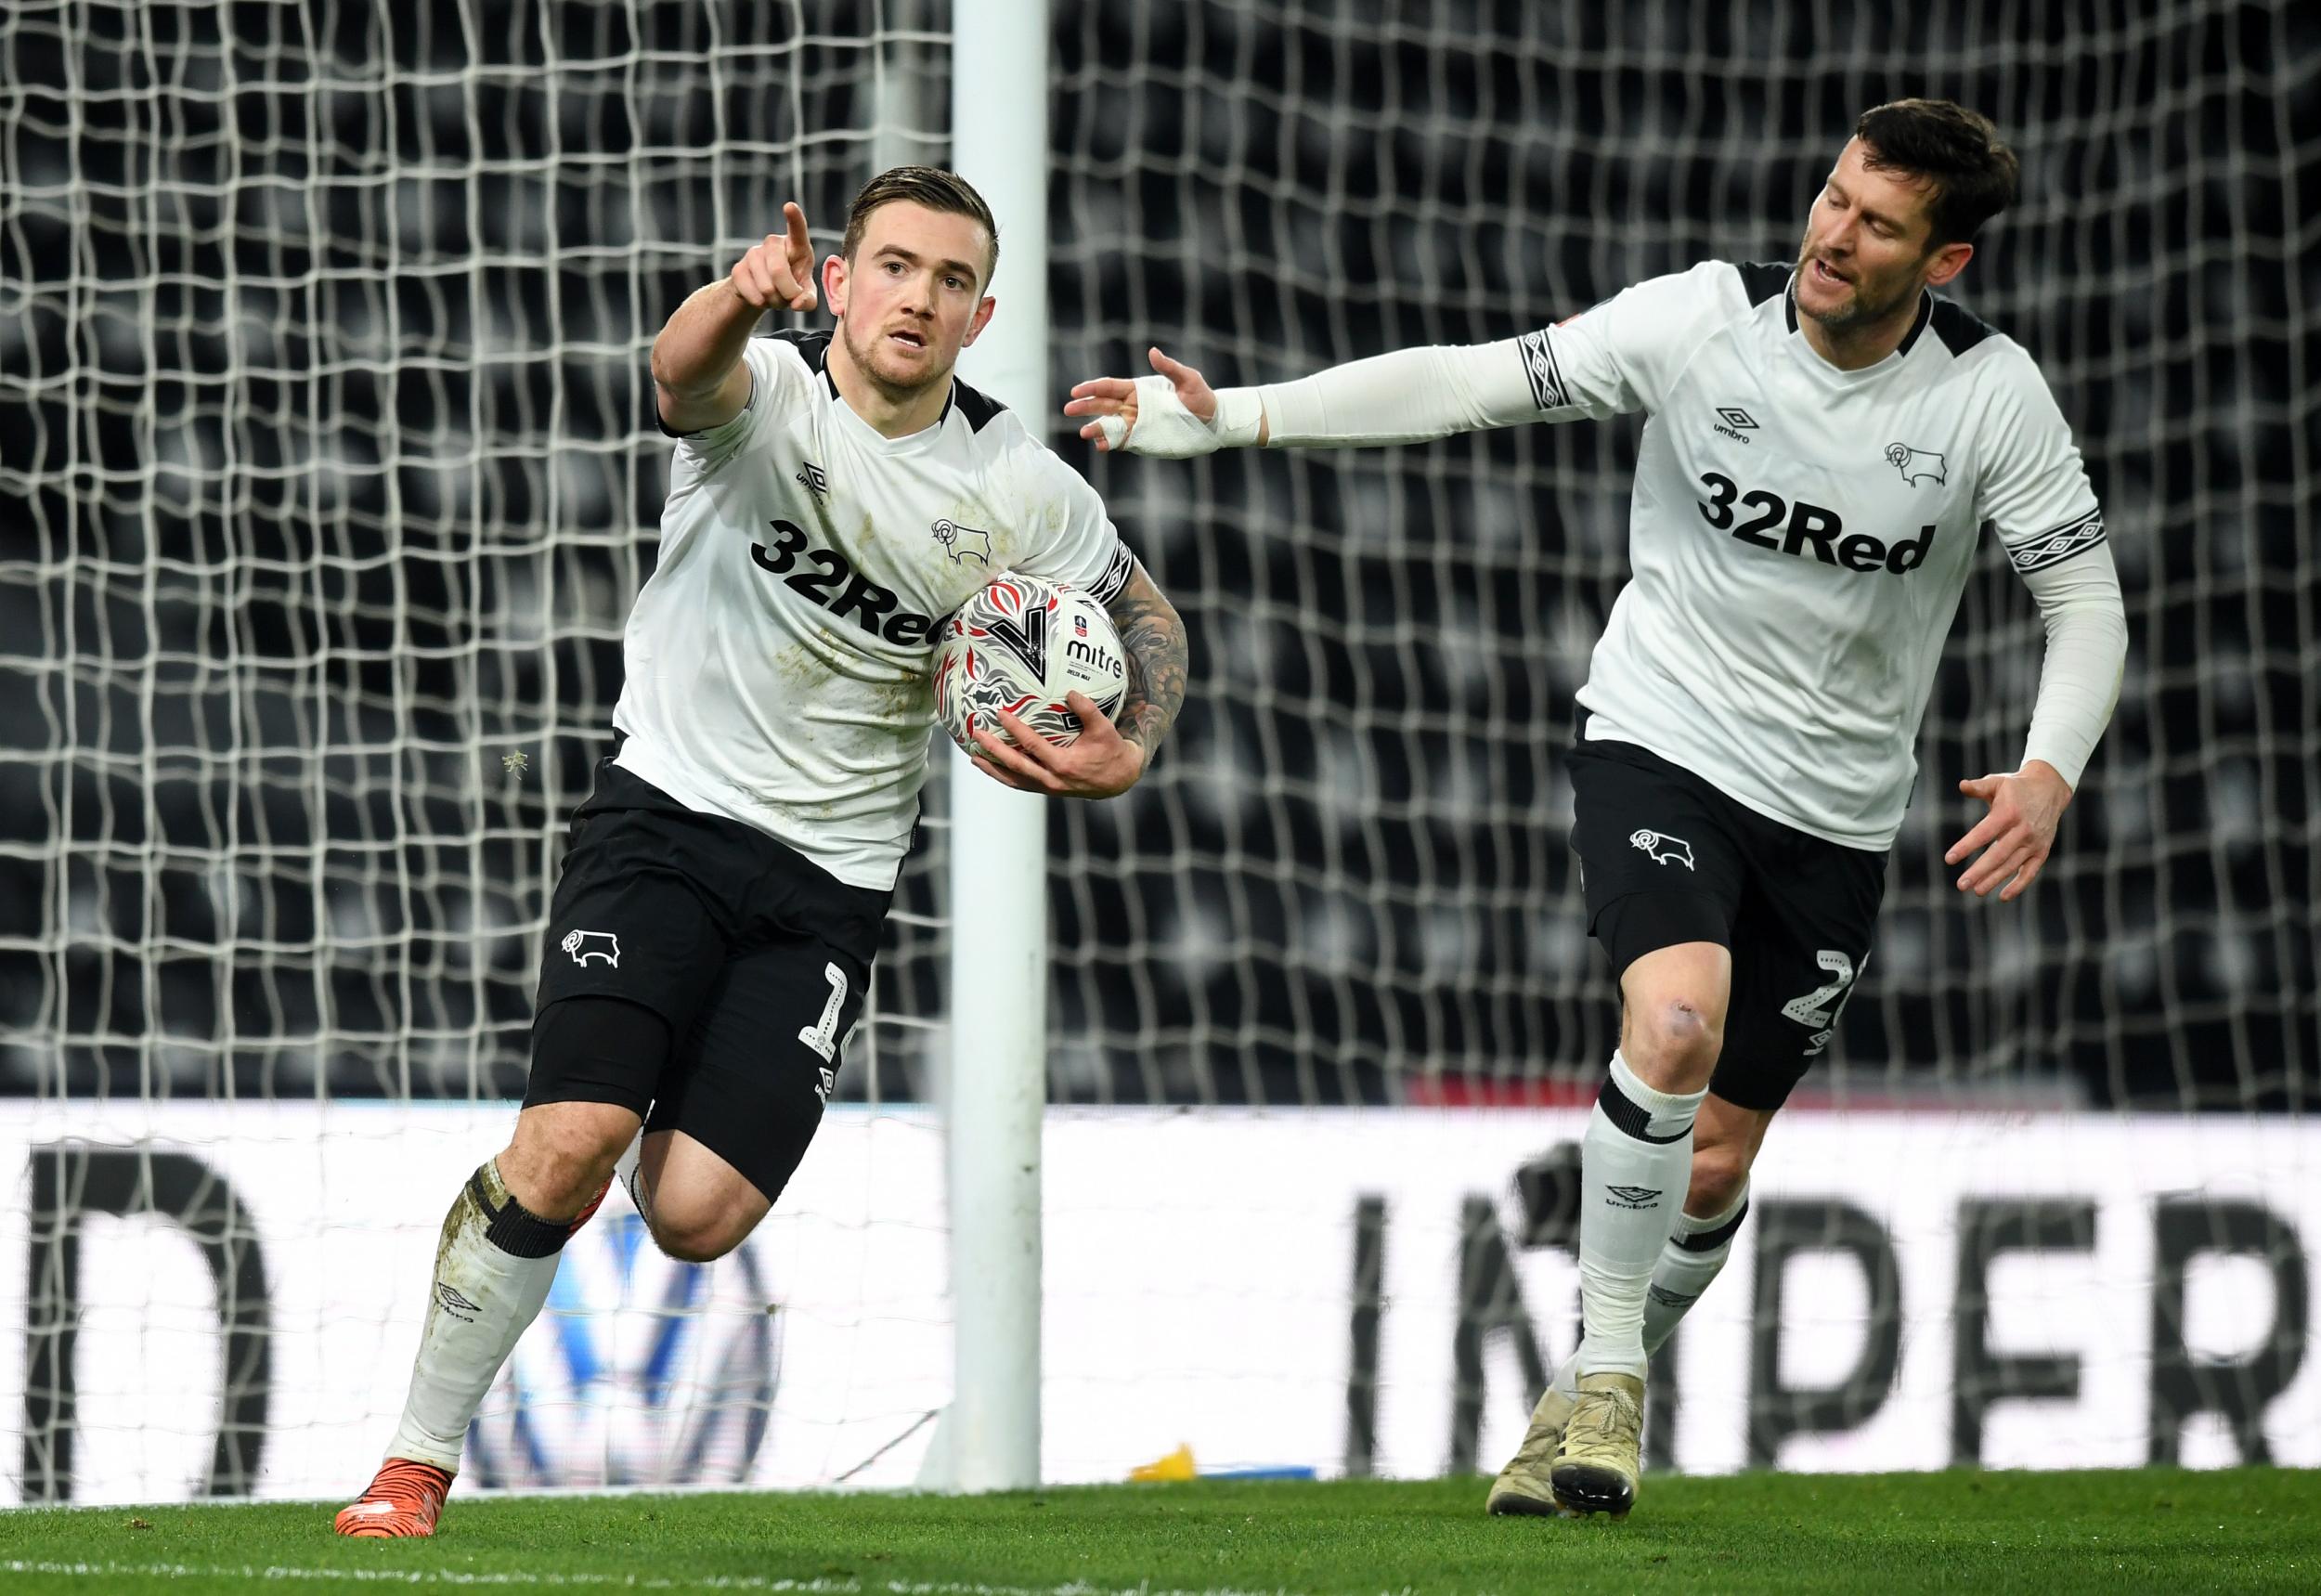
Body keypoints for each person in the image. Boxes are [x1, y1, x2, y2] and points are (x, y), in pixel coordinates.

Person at [1066, 99, 2124, 1519]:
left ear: (1945, 267)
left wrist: (2051, 765)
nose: (1830, 232)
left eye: (1876, 223)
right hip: (1662, 740)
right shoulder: (1702, 321)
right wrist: (1236, 419)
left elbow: (2086, 604)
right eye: (1831, 197)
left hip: (1836, 816)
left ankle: (1568, 1408)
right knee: (1672, 1022)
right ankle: (1614, 1374)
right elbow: (1475, 382)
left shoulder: (1991, 400)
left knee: (1719, 1163)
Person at [336, 166, 1186, 1537]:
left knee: (696, 1214)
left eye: (952, 280)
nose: (921, 296)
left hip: (826, 891)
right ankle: (411, 1466)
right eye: (896, 266)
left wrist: (1130, 739)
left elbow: (1144, 616)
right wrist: (736, 298)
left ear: (980, 317)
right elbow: (676, 377)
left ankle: (600, 1111)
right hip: (667, 820)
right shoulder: (769, 396)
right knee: (571, 1146)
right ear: (841, 282)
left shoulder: (1016, 486)